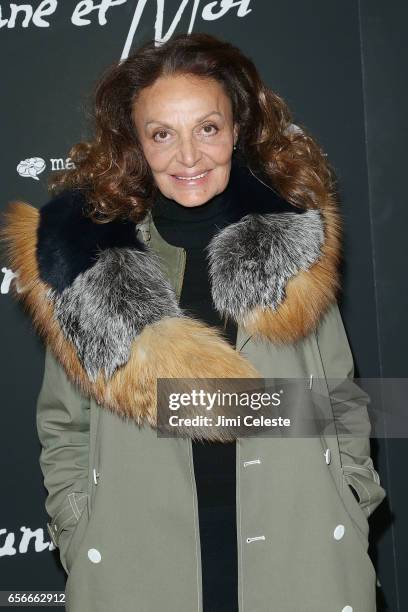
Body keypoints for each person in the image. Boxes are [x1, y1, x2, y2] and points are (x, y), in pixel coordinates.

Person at [0, 33, 386, 612]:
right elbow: (65, 425)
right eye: (162, 134)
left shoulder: (296, 246)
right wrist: (80, 528)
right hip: (139, 560)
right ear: (136, 144)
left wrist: (350, 494)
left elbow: (338, 397)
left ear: (236, 130)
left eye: (207, 128)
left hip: (298, 549)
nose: (188, 156)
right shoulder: (81, 268)